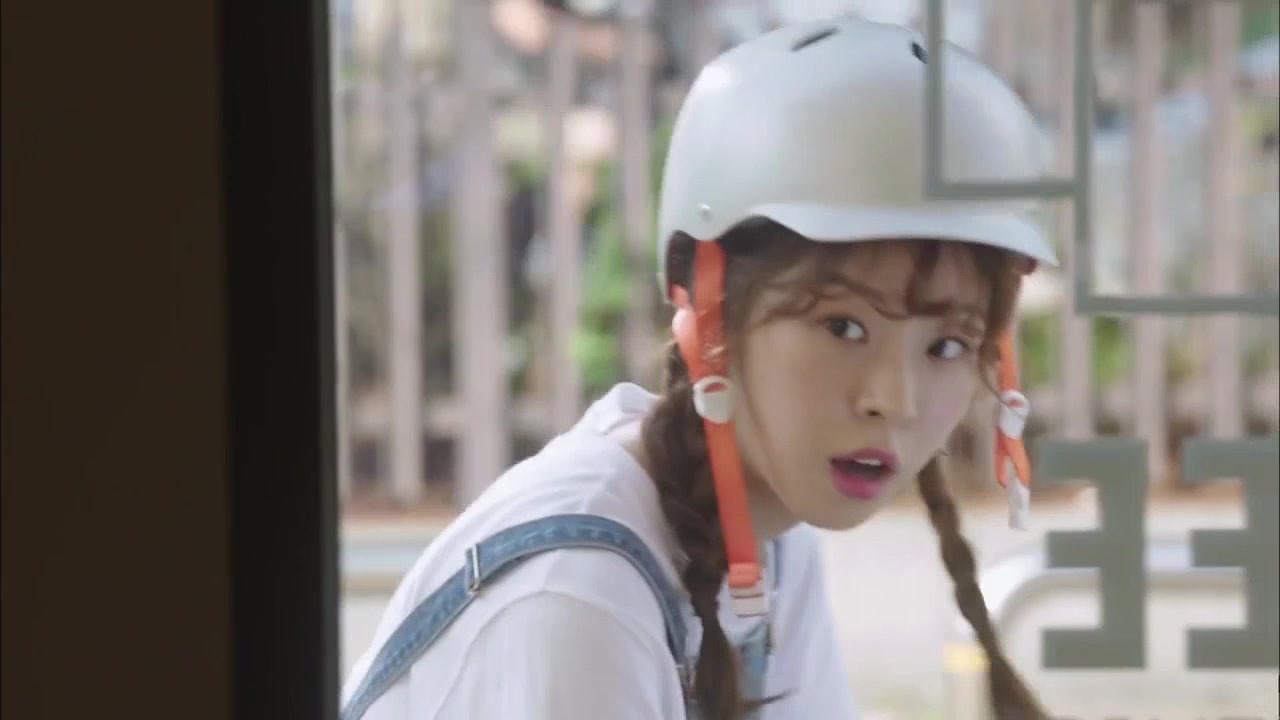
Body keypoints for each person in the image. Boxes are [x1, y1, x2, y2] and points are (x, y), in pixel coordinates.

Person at [341, 15, 1055, 720]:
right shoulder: (579, 590)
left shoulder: (770, 535)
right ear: (711, 311)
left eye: (947, 345)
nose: (895, 400)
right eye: (843, 327)